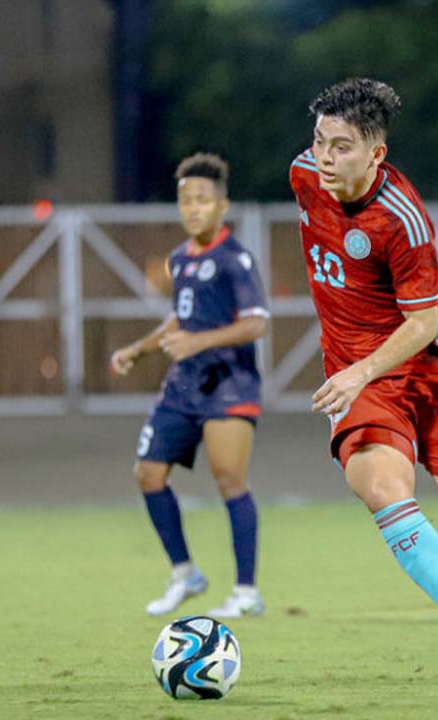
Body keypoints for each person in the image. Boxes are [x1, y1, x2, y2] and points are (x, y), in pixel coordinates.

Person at [290, 78, 438, 675]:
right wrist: (353, 377)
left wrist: (359, 372)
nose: (323, 157)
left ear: (376, 155)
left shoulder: (403, 221)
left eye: (341, 147)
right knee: (379, 488)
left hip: (429, 372)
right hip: (361, 380)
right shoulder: (303, 175)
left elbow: (421, 325)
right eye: (319, 141)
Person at [111, 152, 270, 619]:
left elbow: (256, 324)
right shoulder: (180, 260)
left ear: (222, 206)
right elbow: (181, 317)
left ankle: (245, 592)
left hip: (229, 386)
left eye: (203, 200)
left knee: (228, 479)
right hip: (182, 388)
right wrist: (139, 349)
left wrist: (198, 341)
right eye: (186, 201)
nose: (194, 209)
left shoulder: (235, 259)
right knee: (147, 474)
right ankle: (185, 574)